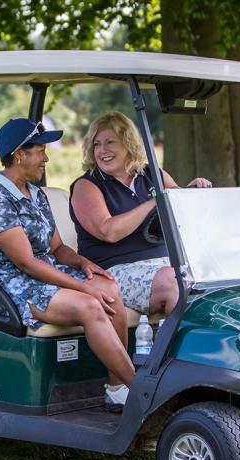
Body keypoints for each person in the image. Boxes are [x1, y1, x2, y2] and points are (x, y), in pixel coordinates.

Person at [0, 118, 134, 411]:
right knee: (90, 305)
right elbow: (26, 263)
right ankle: (141, 392)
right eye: (40, 151)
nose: (46, 159)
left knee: (110, 291)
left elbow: (57, 248)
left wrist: (84, 264)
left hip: (42, 274)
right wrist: (83, 288)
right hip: (9, 283)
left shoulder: (36, 194)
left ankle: (117, 389)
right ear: (19, 155)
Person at [69, 111, 211, 317]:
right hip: (113, 270)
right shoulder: (87, 186)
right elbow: (108, 231)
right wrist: (156, 201)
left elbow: (179, 210)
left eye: (110, 142)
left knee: (211, 274)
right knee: (175, 283)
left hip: (165, 263)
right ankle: (187, 338)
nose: (102, 150)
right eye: (96, 144)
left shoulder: (153, 174)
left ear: (128, 144)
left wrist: (192, 193)